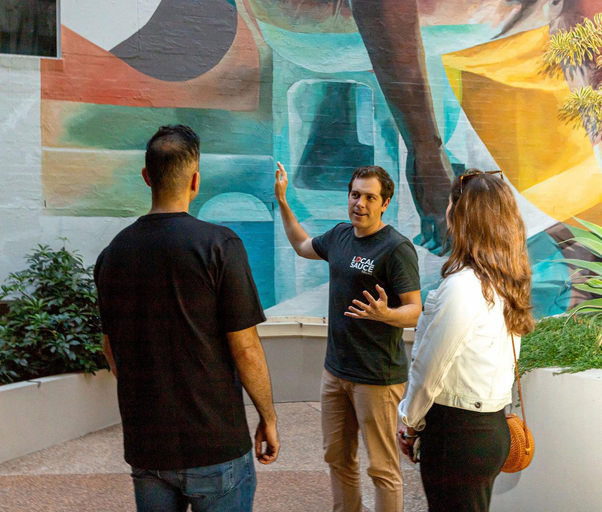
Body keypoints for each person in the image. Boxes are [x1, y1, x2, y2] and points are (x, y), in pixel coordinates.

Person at [94, 125, 279, 512]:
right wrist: (268, 417)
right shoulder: (220, 245)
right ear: (196, 180)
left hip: (148, 449)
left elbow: (111, 351)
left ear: (147, 177)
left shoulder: (112, 255)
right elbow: (245, 349)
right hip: (216, 445)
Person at [274, 162, 422, 512]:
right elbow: (301, 244)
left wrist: (386, 315)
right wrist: (282, 201)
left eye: (370, 197)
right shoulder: (339, 235)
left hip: (377, 379)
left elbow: (415, 309)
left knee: (383, 469)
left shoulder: (396, 249)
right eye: (356, 195)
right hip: (336, 373)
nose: (361, 204)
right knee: (338, 458)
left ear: (385, 203)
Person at [397, 169, 534, 512]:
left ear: (462, 218)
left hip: (457, 435)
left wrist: (409, 423)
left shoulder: (464, 286)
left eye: (450, 206)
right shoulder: (508, 280)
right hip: (489, 429)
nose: (445, 213)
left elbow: (431, 366)